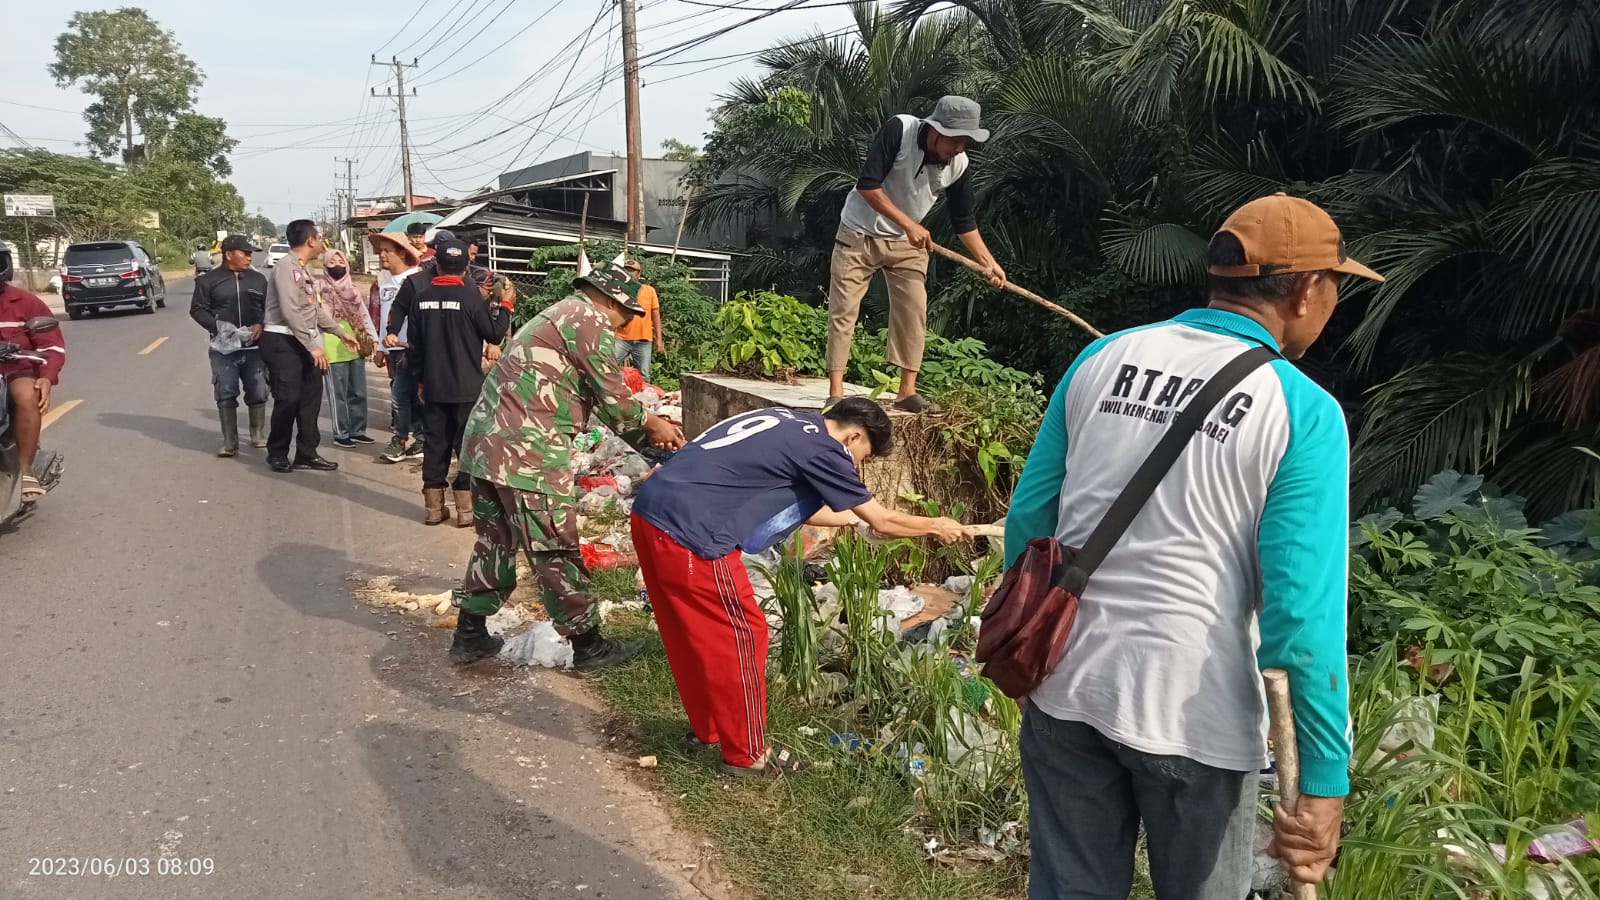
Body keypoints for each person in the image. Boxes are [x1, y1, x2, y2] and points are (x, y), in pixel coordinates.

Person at [1003, 193, 1383, 899]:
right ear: (1305, 291)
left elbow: (1030, 521)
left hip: (1066, 689)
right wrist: (1324, 780)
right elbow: (1300, 617)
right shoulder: (1302, 411)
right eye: (1335, 284)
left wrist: (1027, 649)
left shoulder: (1101, 358)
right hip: (1195, 718)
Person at [631, 398, 967, 775]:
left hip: (652, 510)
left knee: (690, 630)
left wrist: (857, 523)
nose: (857, 465)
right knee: (744, 634)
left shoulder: (786, 421)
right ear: (854, 435)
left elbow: (800, 503)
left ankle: (710, 728)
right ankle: (747, 752)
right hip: (694, 531)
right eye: (863, 455)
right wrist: (936, 525)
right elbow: (884, 519)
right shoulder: (827, 449)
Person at [449, 267, 683, 669]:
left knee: (496, 540)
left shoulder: (558, 314)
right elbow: (614, 400)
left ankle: (469, 634)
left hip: (488, 445)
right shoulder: (587, 319)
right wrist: (655, 429)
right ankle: (588, 646)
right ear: (611, 301)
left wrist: (646, 432)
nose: (624, 327)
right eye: (625, 316)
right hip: (526, 452)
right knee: (555, 545)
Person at [826, 95, 1007, 414]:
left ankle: (906, 392)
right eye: (955, 141)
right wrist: (909, 224)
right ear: (936, 130)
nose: (959, 149)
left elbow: (964, 221)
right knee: (844, 310)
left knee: (914, 309)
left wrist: (989, 264)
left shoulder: (959, 164)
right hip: (859, 231)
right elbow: (869, 185)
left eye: (965, 142)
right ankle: (836, 393)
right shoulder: (900, 130)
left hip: (907, 243)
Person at [404, 239, 505, 526]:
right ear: (466, 268)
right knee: (466, 447)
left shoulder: (421, 297)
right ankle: (465, 511)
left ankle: (434, 509)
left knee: (435, 445)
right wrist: (505, 305)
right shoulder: (472, 298)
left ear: (437, 266)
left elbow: (415, 347)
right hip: (467, 388)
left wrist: (420, 382)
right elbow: (494, 334)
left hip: (434, 387)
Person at [259, 219, 358, 474]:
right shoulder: (286, 267)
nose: (322, 242)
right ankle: (278, 452)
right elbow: (290, 310)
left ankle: (307, 452)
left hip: (304, 340)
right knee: (288, 398)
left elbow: (313, 309)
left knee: (310, 399)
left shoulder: (303, 269)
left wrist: (340, 331)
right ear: (311, 240)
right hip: (283, 341)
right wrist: (313, 346)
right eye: (320, 237)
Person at [190, 235, 270, 457]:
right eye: (244, 253)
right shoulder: (208, 281)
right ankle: (230, 442)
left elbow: (270, 308)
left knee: (259, 389)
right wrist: (217, 325)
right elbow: (197, 310)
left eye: (250, 253)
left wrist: (260, 324)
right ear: (228, 255)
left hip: (254, 347)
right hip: (223, 349)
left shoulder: (258, 280)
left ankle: (257, 433)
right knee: (225, 391)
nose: (249, 257)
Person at [0, 245, 66, 503]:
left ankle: (26, 471)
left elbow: (52, 345)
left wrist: (47, 376)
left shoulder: (25, 301)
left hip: (17, 367)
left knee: (27, 395)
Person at [368, 231, 426, 463]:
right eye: (380, 250)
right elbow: (386, 318)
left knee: (402, 396)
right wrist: (382, 347)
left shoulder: (416, 281)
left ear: (402, 253)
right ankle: (419, 438)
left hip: (410, 348)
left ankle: (402, 440)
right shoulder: (384, 283)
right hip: (392, 347)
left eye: (386, 251)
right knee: (408, 396)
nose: (381, 255)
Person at [315, 248, 379, 449]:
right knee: (338, 395)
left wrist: (374, 339)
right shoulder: (319, 288)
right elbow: (314, 319)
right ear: (325, 265)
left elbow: (364, 315)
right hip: (331, 349)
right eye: (332, 263)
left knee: (358, 392)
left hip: (355, 347)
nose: (337, 266)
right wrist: (317, 348)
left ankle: (358, 430)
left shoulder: (352, 290)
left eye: (340, 261)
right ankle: (341, 433)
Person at [612, 258, 662, 380]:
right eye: (626, 271)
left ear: (639, 274)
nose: (629, 273)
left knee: (644, 375)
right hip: (621, 338)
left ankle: (644, 399)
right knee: (608, 367)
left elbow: (656, 316)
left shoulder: (650, 291)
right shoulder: (617, 290)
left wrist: (659, 339)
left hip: (644, 340)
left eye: (632, 271)